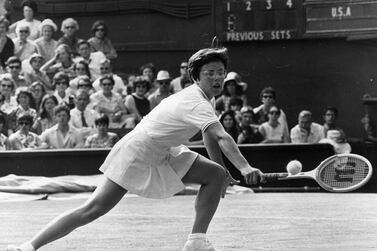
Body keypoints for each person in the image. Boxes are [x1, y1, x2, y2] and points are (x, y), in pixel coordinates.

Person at [7, 47, 264, 251]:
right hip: (137, 152)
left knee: (214, 175)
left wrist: (222, 169)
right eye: (210, 72)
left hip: (165, 150)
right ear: (197, 77)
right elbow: (221, 136)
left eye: (220, 72)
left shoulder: (208, 98)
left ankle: (196, 241)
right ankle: (28, 247)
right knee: (92, 209)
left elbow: (210, 135)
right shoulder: (196, 102)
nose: (217, 77)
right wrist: (244, 166)